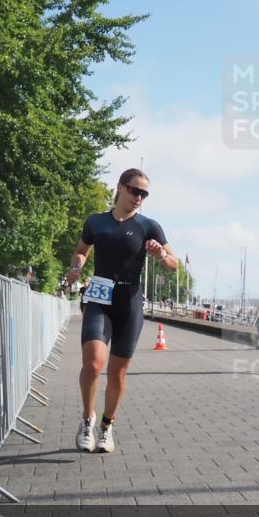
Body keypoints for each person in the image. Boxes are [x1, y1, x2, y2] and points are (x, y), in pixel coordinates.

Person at [65, 168, 178, 453]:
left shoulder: (148, 226)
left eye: (144, 194)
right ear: (120, 188)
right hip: (99, 298)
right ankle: (87, 419)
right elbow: (81, 250)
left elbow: (174, 264)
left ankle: (106, 426)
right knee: (92, 364)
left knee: (117, 375)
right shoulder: (96, 222)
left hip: (129, 303)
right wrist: (77, 266)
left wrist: (160, 254)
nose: (139, 197)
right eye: (134, 190)